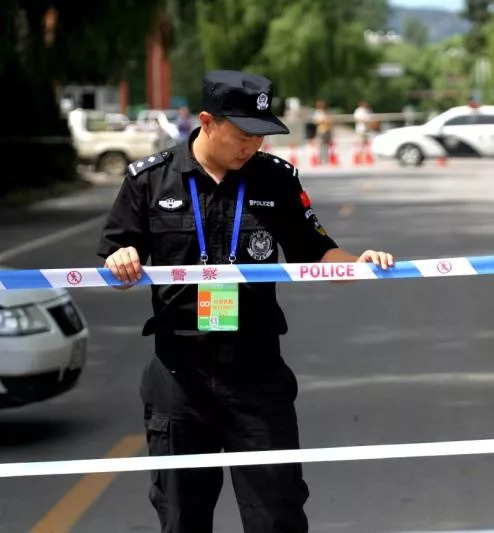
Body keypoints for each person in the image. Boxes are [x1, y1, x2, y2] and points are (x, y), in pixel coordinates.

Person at [97, 70, 394, 533]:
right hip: (180, 374)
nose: (251, 147)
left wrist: (360, 263)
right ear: (207, 122)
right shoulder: (150, 180)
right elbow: (115, 257)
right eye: (242, 135)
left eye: (260, 136)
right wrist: (121, 260)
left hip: (256, 373)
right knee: (181, 519)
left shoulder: (276, 179)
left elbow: (316, 251)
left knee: (277, 516)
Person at [312, 99, 333, 164]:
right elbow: (316, 121)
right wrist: (324, 120)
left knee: (327, 145)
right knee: (321, 145)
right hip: (321, 130)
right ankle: (320, 159)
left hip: (327, 130)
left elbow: (330, 120)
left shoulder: (326, 112)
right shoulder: (317, 112)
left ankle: (326, 159)